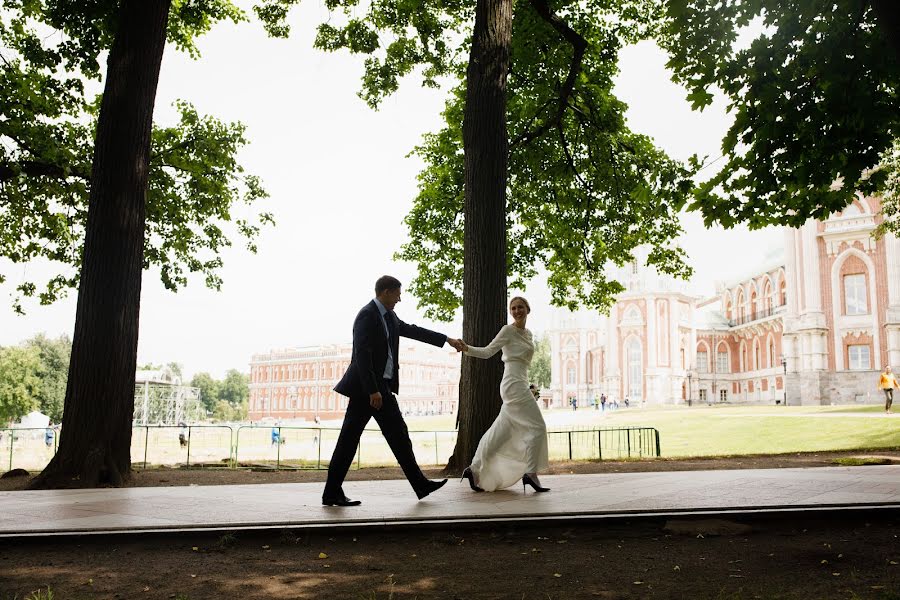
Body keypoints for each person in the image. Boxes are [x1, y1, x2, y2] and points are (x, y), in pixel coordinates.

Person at [323, 275, 464, 506]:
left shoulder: (389, 317)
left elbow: (413, 330)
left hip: (381, 388)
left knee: (395, 437)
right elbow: (362, 355)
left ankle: (419, 485)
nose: (400, 298)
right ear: (386, 292)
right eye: (398, 294)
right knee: (355, 441)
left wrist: (447, 339)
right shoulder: (367, 315)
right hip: (367, 391)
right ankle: (332, 493)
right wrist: (373, 390)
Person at [459, 296, 550, 494]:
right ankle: (531, 472)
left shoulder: (528, 334)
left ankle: (473, 469)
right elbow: (487, 351)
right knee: (538, 427)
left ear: (528, 309)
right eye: (513, 308)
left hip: (520, 384)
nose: (517, 311)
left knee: (501, 431)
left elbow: (523, 364)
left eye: (520, 307)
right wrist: (467, 348)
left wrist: (530, 387)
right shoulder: (507, 330)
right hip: (512, 384)